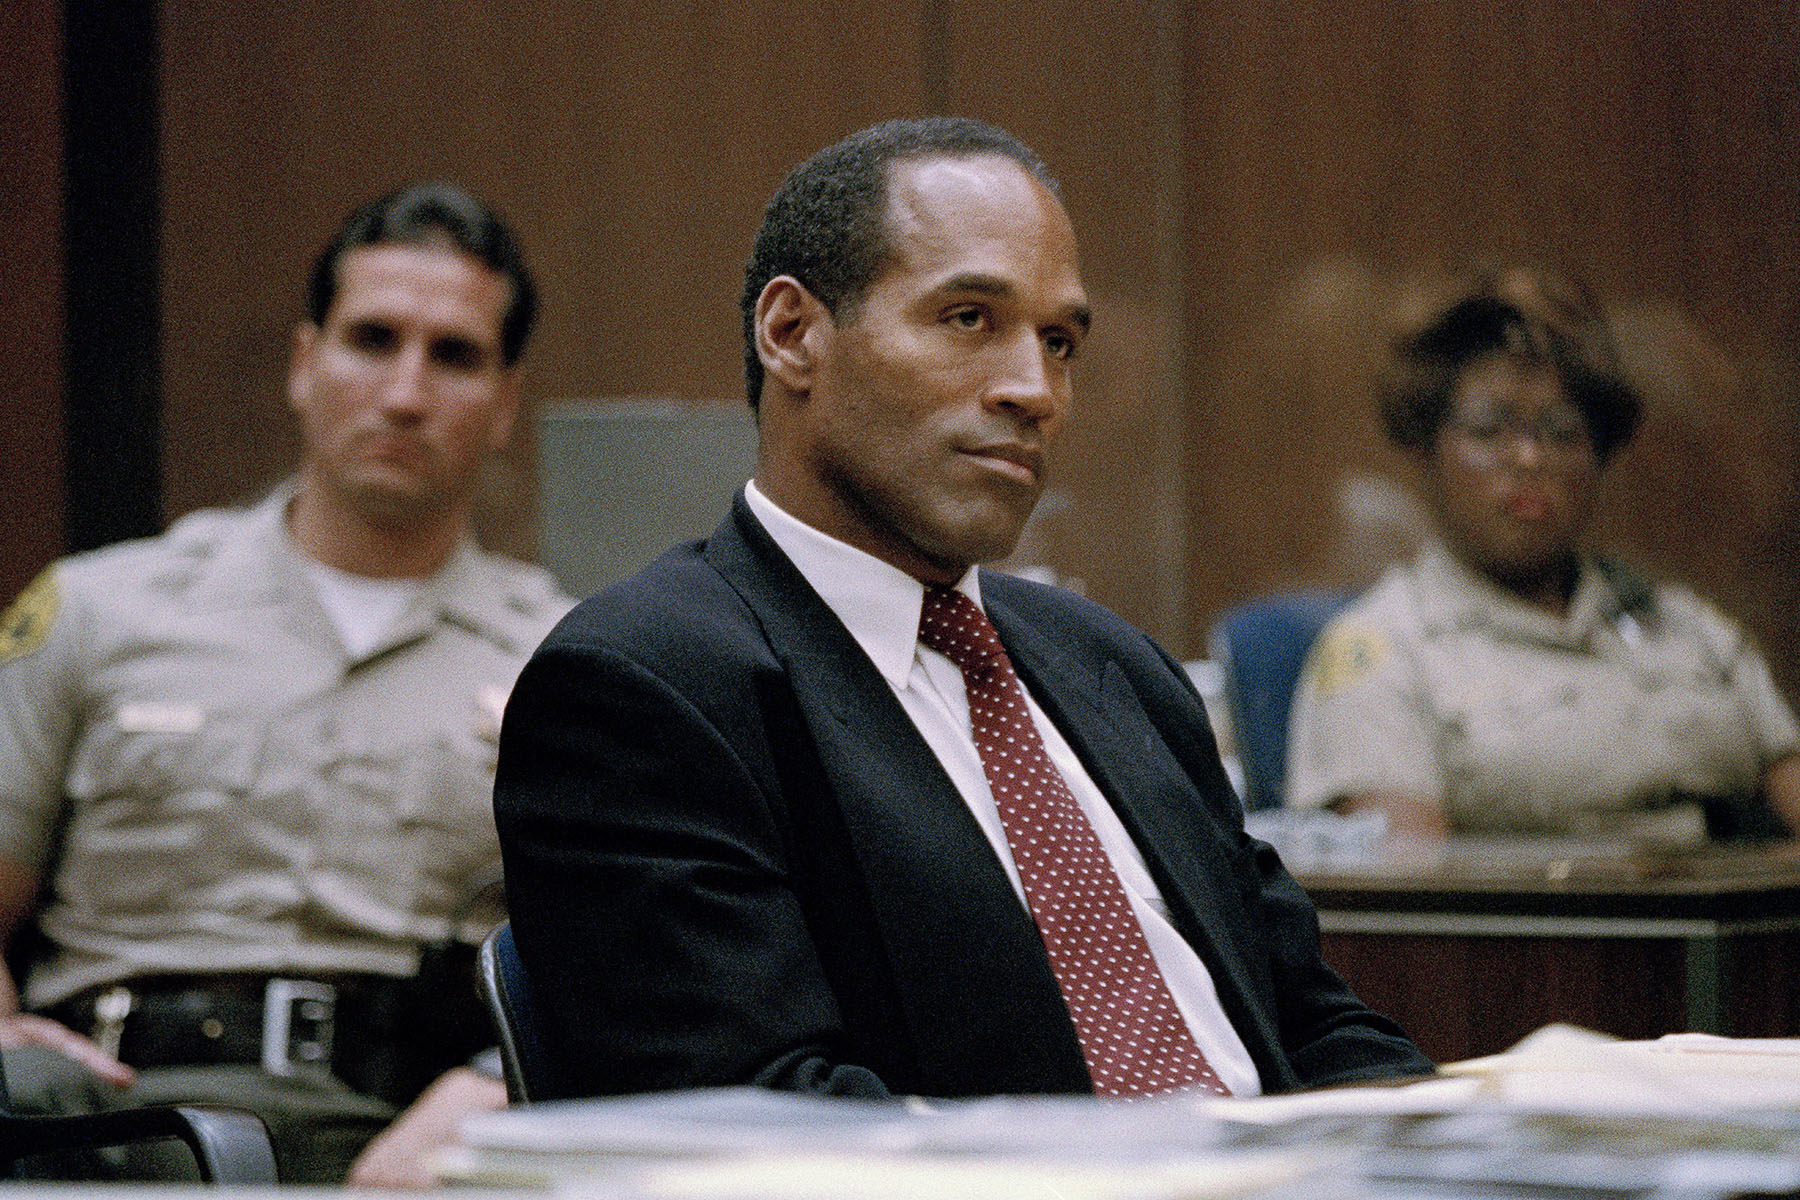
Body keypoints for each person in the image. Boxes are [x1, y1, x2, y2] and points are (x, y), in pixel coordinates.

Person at [493, 117, 1432, 1102]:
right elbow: (759, 1118)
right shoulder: (644, 690)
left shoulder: (1118, 668)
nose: (1036, 390)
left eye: (1059, 341)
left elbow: (1309, 1025)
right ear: (793, 334)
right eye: (969, 320)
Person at [0, 181, 573, 1184]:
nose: (405, 391)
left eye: (454, 356)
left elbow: (620, 962)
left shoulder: (569, 665)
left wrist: (491, 1085)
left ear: (503, 405)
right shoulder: (100, 610)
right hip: (98, 1114)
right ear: (307, 365)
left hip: (394, 1138)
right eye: (372, 339)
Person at [1284, 267, 1800, 844]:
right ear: (1429, 450)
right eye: (1489, 430)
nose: (1529, 458)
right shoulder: (1382, 651)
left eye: (1561, 431)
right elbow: (1421, 905)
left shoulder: (1685, 625)